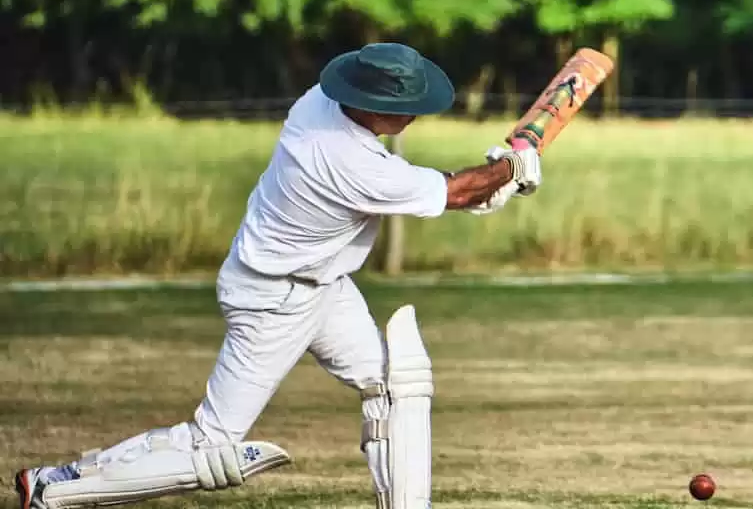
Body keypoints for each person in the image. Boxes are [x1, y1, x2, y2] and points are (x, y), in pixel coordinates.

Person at [14, 42, 541, 509]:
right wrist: (512, 166)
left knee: (395, 384)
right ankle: (55, 489)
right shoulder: (344, 160)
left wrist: (499, 176)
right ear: (369, 103)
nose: (412, 117)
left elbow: (455, 191)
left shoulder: (320, 101)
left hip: (322, 287)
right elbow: (454, 193)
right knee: (212, 447)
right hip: (275, 300)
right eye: (401, 107)